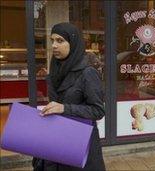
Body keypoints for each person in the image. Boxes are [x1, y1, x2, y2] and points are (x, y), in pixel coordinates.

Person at [32, 22, 106, 171]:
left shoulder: (87, 73)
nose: (54, 45)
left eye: (60, 40)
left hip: (79, 142)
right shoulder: (55, 68)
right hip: (55, 140)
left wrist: (64, 108)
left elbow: (98, 111)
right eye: (52, 40)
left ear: (72, 43)